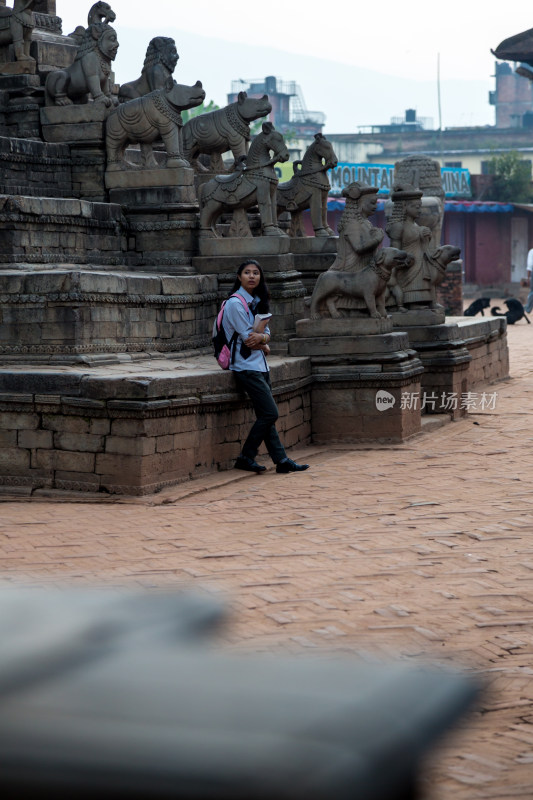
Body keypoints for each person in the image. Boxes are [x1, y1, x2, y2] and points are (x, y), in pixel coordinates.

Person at [223, 260, 309, 474]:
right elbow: (248, 339)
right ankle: (246, 456)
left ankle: (281, 460)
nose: (252, 276)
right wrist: (263, 340)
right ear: (239, 277)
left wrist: (263, 339)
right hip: (244, 366)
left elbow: (266, 334)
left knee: (266, 414)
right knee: (270, 413)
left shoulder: (257, 301)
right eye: (247, 273)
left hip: (259, 365)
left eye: (255, 273)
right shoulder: (235, 303)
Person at [525, 248, 533, 313]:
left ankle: (528, 308)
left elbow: (530, 266)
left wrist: (528, 278)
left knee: (532, 292)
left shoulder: (531, 251)